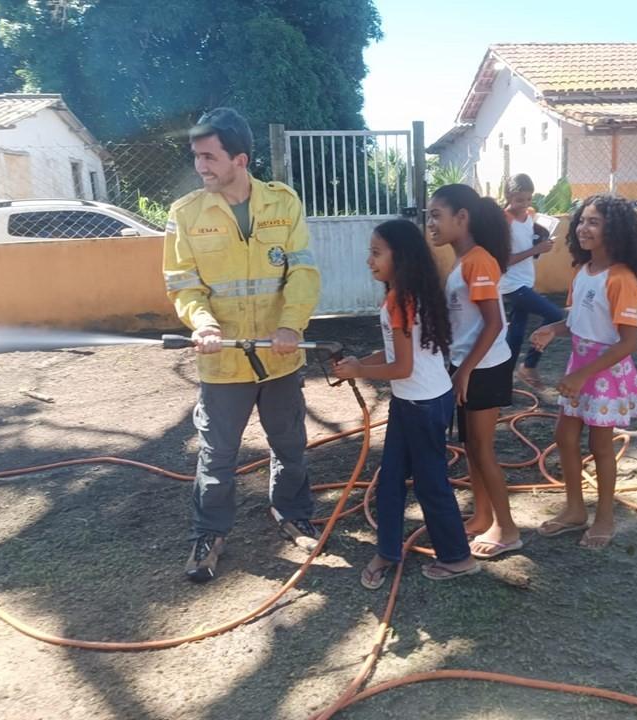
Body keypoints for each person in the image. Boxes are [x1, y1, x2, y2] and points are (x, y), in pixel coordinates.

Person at [162, 107, 321, 582]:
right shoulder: (185, 215)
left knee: (290, 443)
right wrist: (203, 323)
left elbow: (303, 271)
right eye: (196, 157)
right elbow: (183, 285)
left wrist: (292, 326)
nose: (200, 167)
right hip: (223, 361)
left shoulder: (283, 203)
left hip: (280, 357)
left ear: (241, 159)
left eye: (209, 157)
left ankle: (291, 513)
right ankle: (209, 533)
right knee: (217, 455)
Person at [333, 219, 479, 588]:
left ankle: (458, 558)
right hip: (416, 401)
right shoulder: (412, 292)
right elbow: (395, 351)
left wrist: (359, 372)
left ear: (402, 256)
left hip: (421, 405)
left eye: (376, 252)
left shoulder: (401, 299)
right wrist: (358, 365)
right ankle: (388, 550)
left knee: (430, 483)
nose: (369, 260)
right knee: (392, 479)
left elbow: (402, 365)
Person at [529, 194, 637, 549]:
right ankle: (575, 510)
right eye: (581, 220)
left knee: (600, 445)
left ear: (616, 230)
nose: (583, 227)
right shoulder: (583, 272)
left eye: (593, 222)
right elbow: (577, 321)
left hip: (605, 374)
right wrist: (554, 329)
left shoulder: (621, 278)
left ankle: (605, 518)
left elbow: (628, 342)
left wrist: (584, 376)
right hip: (579, 368)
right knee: (564, 436)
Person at [427, 183, 522, 560]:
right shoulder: (464, 260)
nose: (430, 223)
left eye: (436, 215)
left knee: (483, 449)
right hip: (467, 365)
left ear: (461, 218)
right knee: (471, 447)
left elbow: (494, 323)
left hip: (484, 368)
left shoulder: (478, 261)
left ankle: (508, 528)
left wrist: (464, 370)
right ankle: (483, 515)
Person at [500, 173, 564, 389]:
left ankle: (503, 380)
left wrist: (541, 242)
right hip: (510, 284)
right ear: (508, 195)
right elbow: (505, 259)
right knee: (555, 315)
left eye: (528, 199)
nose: (524, 205)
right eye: (519, 200)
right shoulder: (503, 221)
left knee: (516, 332)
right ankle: (529, 364)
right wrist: (536, 249)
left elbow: (527, 246)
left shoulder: (529, 216)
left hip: (525, 280)